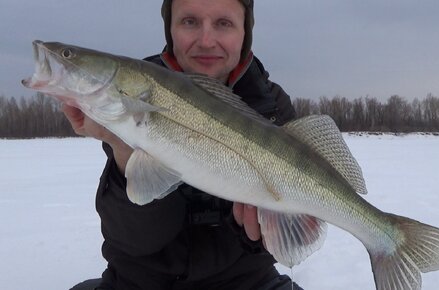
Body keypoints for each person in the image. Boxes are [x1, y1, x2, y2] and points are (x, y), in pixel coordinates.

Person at [68, 0, 302, 289]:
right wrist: (123, 150)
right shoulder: (137, 95)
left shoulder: (271, 106)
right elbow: (135, 239)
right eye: (189, 21)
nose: (206, 40)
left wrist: (261, 236)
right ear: (170, 29)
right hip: (139, 282)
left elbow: (287, 240)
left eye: (223, 23)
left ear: (245, 33)